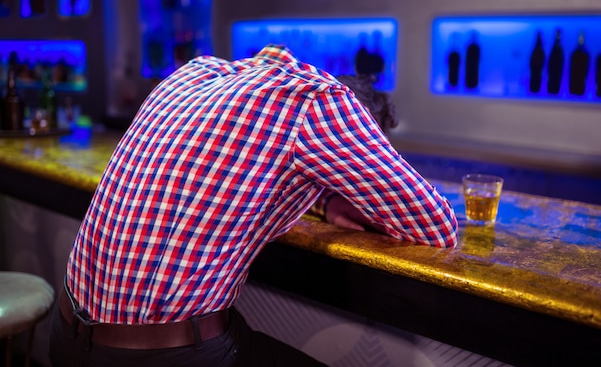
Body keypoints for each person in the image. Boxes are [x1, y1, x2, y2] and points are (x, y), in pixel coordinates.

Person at [49, 44, 457, 367]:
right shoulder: (323, 103)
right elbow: (437, 227)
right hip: (157, 357)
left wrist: (326, 203)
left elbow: (238, 170)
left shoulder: (193, 74)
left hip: (64, 334)